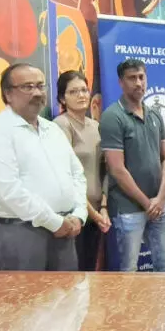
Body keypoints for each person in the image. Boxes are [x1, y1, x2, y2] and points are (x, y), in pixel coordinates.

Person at [0, 63, 86, 270]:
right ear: (8, 94)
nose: (37, 93)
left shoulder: (52, 129)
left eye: (41, 86)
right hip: (19, 233)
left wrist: (79, 213)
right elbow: (8, 190)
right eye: (27, 87)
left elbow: (77, 174)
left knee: (68, 291)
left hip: (64, 231)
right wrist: (53, 221)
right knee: (21, 292)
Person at [100, 59, 165, 272]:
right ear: (121, 82)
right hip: (128, 208)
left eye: (141, 77)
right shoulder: (112, 116)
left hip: (157, 206)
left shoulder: (155, 114)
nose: (138, 83)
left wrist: (160, 199)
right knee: (129, 271)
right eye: (132, 78)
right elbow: (117, 169)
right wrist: (146, 203)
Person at [54, 71, 111, 271]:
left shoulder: (96, 125)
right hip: (73, 213)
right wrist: (94, 214)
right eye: (73, 91)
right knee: (74, 275)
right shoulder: (61, 125)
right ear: (62, 98)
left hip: (97, 211)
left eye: (84, 90)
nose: (81, 95)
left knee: (89, 270)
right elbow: (65, 176)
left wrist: (103, 207)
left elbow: (106, 169)